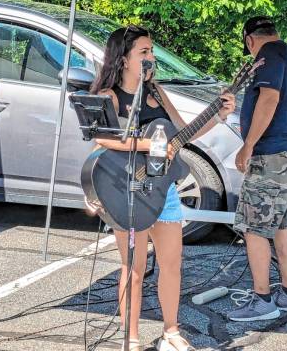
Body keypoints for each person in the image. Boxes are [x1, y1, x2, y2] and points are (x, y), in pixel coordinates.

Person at [90, 25, 235, 350]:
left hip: (164, 190)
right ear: (123, 59)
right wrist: (151, 145)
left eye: (151, 51)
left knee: (171, 263)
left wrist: (218, 115)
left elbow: (183, 133)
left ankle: (171, 332)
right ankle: (131, 337)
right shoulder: (108, 96)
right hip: (126, 190)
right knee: (135, 267)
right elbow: (103, 137)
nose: (151, 57)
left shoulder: (156, 92)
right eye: (144, 52)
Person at [228, 16, 287, 322]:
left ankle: (263, 299)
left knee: (253, 227)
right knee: (282, 225)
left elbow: (269, 98)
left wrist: (248, 145)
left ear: (249, 40)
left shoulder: (269, 55)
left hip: (271, 155)